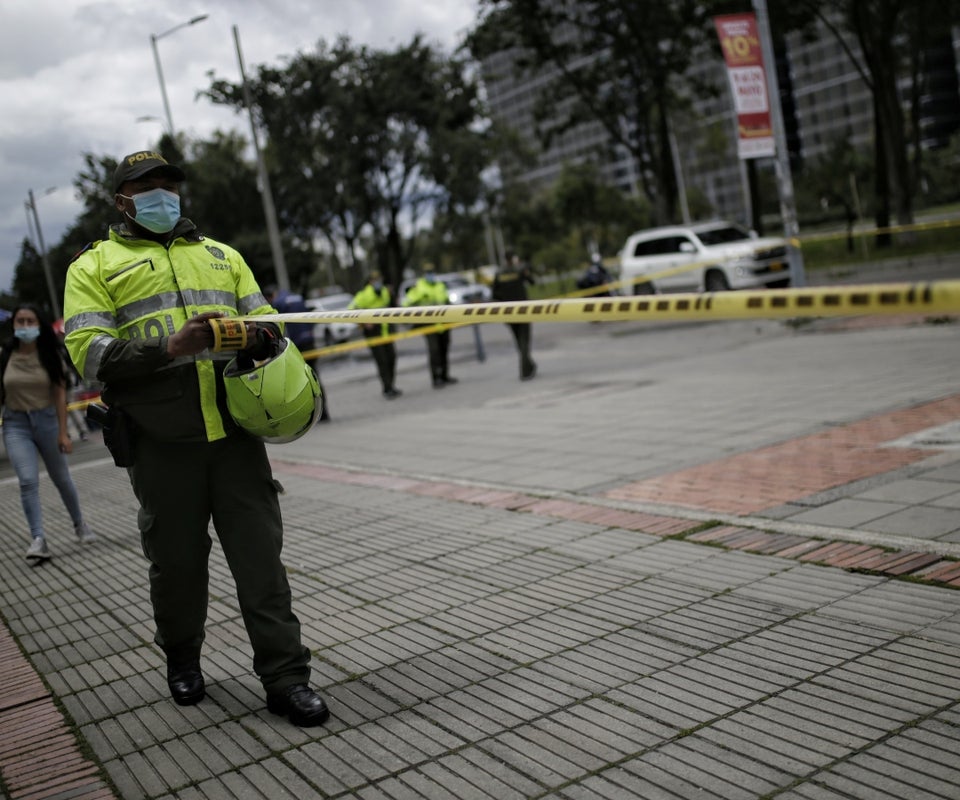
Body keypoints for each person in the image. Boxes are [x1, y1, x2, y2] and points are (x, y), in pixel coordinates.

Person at [63, 150, 329, 727]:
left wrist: (259, 339)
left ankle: (286, 678)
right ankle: (182, 660)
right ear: (122, 201)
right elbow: (90, 356)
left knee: (262, 564)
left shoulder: (222, 256)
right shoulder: (93, 267)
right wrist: (169, 349)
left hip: (236, 435)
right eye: (147, 187)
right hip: (160, 445)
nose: (162, 194)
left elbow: (268, 326)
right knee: (176, 567)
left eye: (168, 185)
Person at [1, 303, 95, 563]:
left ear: (40, 325)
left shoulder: (51, 354)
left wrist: (64, 433)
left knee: (61, 478)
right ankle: (38, 539)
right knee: (27, 481)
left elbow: (60, 394)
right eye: (20, 321)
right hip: (15, 424)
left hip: (48, 421)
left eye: (30, 321)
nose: (25, 327)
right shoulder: (6, 355)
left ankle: (79, 524)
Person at [264, 285, 330, 422]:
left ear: (270, 297)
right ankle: (324, 412)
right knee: (315, 377)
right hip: (310, 342)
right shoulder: (297, 297)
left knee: (301, 382)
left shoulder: (278, 303)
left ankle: (310, 415)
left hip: (296, 346)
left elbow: (279, 326)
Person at [348, 271, 402, 398]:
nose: (378, 282)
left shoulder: (384, 291)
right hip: (373, 333)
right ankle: (387, 388)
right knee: (382, 361)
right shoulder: (363, 295)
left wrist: (393, 295)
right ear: (370, 282)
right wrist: (363, 322)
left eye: (379, 279)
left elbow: (391, 306)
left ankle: (391, 386)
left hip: (386, 331)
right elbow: (350, 310)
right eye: (375, 280)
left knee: (392, 358)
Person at [402, 268, 457, 388]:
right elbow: (406, 303)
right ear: (424, 275)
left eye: (432, 272)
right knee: (434, 350)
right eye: (428, 273)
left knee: (444, 348)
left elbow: (447, 301)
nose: (431, 275)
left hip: (443, 323)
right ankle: (436, 378)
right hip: (429, 325)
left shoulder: (439, 285)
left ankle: (444, 375)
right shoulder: (419, 287)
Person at [492, 252, 537, 380]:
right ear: (513, 258)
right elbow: (532, 282)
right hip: (523, 310)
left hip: (508, 312)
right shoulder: (520, 270)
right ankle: (525, 371)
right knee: (524, 341)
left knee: (519, 341)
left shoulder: (499, 273)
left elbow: (495, 294)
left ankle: (529, 365)